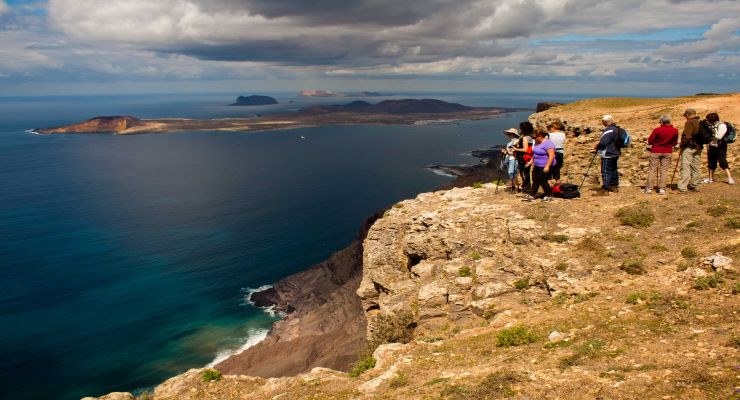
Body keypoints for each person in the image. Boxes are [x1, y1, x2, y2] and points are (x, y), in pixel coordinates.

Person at [645, 114, 679, 195]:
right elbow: (674, 143)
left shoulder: (657, 130)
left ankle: (649, 188)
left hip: (656, 151)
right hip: (667, 151)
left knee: (652, 169)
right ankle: (662, 189)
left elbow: (650, 140)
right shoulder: (675, 130)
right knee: (664, 170)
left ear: (661, 121)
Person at [523, 129, 556, 202]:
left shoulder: (548, 143)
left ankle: (549, 195)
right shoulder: (537, 143)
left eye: (535, 137)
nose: (534, 139)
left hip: (545, 165)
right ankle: (532, 194)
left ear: (540, 136)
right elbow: (535, 153)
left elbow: (551, 155)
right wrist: (530, 162)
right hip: (537, 165)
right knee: (535, 180)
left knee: (543, 180)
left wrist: (547, 166)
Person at [702, 112, 735, 185]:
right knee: (711, 162)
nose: (707, 121)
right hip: (712, 145)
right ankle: (710, 178)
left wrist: (709, 135)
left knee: (722, 161)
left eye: (708, 119)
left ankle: (730, 178)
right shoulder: (711, 125)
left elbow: (718, 136)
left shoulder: (722, 125)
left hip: (720, 146)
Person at [593, 115, 621, 193]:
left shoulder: (608, 130)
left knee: (605, 170)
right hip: (615, 152)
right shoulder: (616, 129)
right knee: (613, 169)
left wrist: (597, 146)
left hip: (608, 153)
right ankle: (614, 185)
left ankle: (606, 187)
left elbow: (603, 143)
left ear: (605, 122)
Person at [677, 108, 702, 193]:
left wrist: (681, 145)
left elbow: (687, 136)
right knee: (695, 166)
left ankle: (682, 187)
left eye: (685, 116)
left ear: (687, 115)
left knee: (685, 166)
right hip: (698, 147)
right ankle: (695, 185)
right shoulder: (699, 122)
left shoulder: (689, 122)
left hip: (689, 147)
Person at [514, 121, 534, 191]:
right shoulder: (531, 137)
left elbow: (525, 149)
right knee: (526, 172)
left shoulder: (525, 138)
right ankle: (527, 187)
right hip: (528, 157)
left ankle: (525, 186)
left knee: (524, 173)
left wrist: (516, 149)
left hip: (523, 157)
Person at [500, 128, 520, 193]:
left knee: (513, 172)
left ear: (513, 134)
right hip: (510, 158)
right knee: (511, 173)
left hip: (513, 158)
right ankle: (514, 187)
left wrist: (506, 152)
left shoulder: (516, 141)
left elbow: (514, 150)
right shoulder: (510, 142)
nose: (508, 135)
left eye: (509, 134)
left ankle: (516, 187)